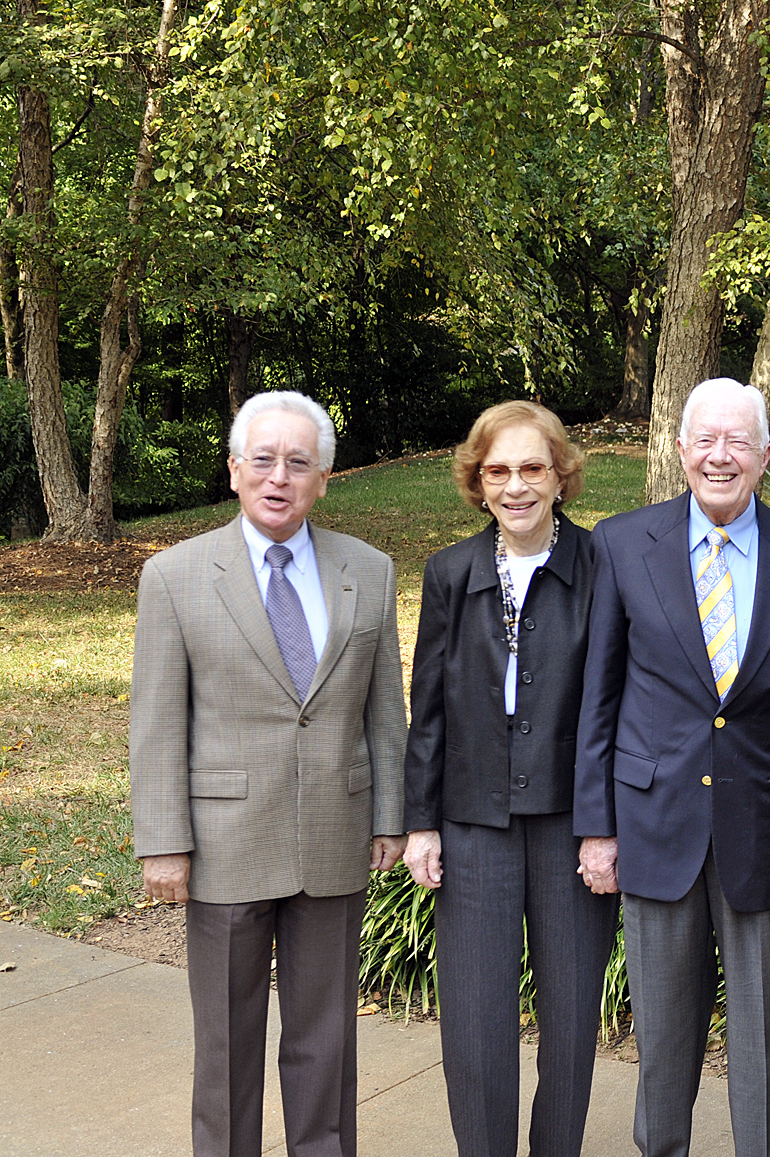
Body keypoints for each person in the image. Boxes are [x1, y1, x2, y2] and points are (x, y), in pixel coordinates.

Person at [129, 390, 407, 1157]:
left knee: (327, 1044)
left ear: (324, 477)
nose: (278, 476)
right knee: (225, 1049)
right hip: (223, 845)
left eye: (298, 462)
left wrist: (390, 814)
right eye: (263, 460)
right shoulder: (176, 577)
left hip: (333, 835)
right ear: (233, 471)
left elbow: (386, 707)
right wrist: (163, 842)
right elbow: (156, 722)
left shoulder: (370, 571)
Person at [574, 378, 770, 1157]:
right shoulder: (620, 543)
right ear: (680, 450)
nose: (721, 457)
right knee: (664, 1042)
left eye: (738, 442)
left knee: (767, 1042)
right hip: (655, 827)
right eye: (706, 441)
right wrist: (596, 831)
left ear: (766, 457)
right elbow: (599, 699)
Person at [401, 401, 612, 1156]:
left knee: (571, 1018)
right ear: (477, 481)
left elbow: (614, 703)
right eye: (499, 471)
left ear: (560, 476)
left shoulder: (599, 565)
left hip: (571, 828)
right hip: (473, 823)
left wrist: (604, 828)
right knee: (476, 1021)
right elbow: (426, 709)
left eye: (532, 469)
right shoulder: (451, 573)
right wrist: (420, 823)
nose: (516, 486)